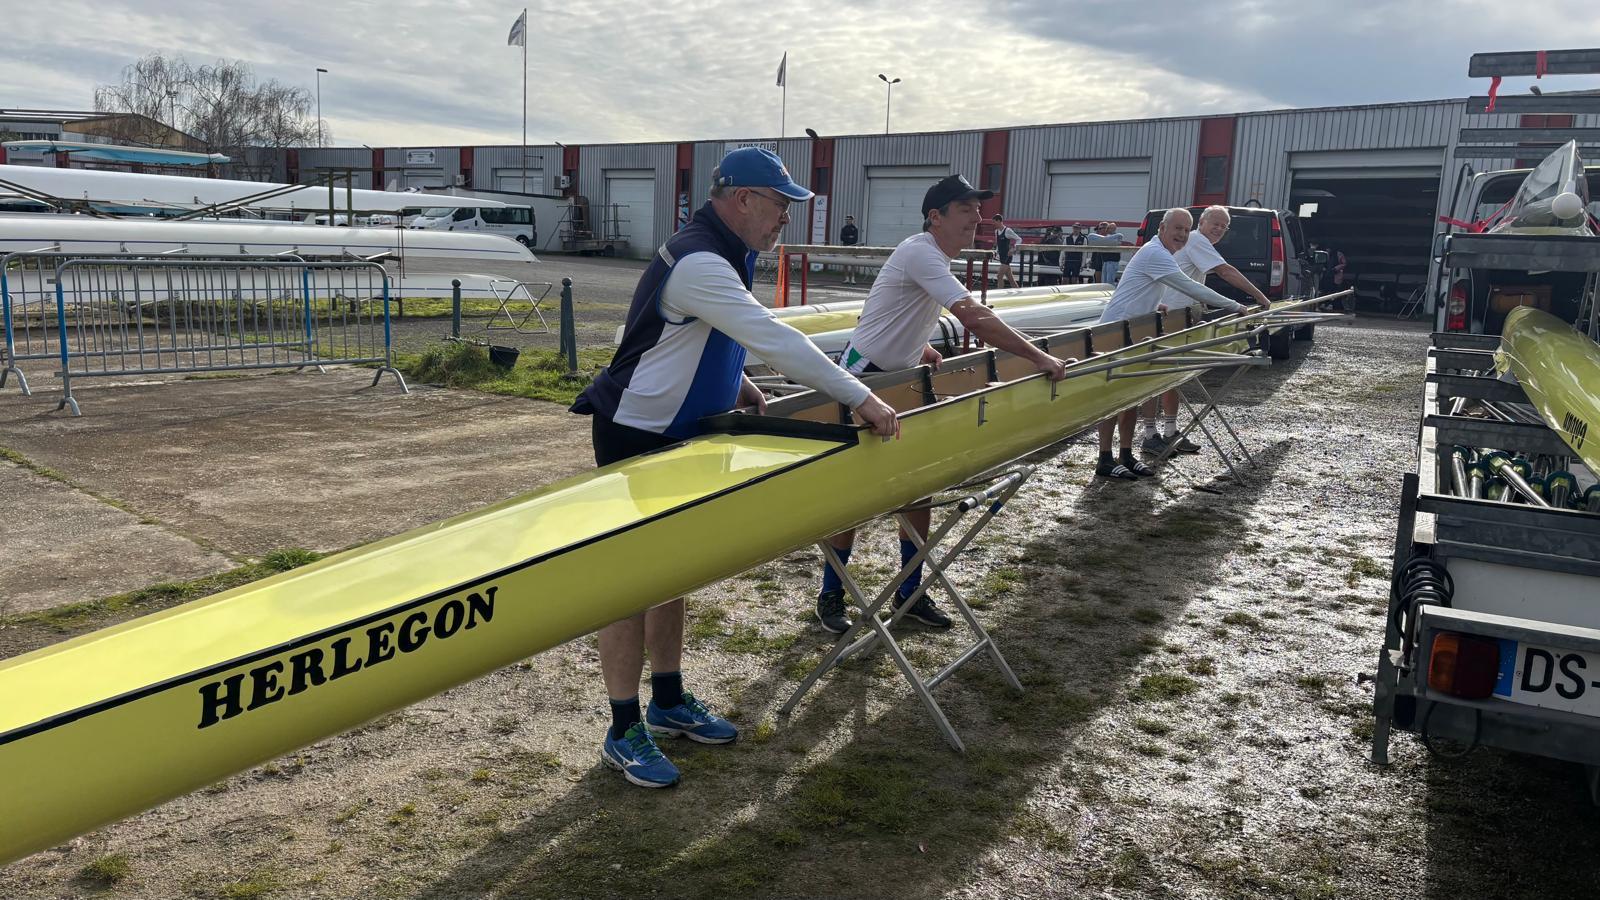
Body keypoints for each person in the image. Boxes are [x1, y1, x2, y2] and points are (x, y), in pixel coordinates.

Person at [570, 147, 901, 787]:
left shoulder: (727, 250)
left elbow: (699, 333)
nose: (786, 218)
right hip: (636, 433)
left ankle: (668, 699)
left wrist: (737, 381)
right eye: (780, 205)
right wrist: (860, 396)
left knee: (672, 571)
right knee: (628, 583)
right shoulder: (699, 259)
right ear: (743, 198)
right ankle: (622, 727)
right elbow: (773, 336)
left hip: (681, 431)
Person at [815, 175, 1073, 634]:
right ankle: (831, 594)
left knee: (920, 484)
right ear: (935, 217)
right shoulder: (921, 252)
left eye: (978, 209)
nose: (977, 217)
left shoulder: (931, 255)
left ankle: (910, 593)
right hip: (865, 377)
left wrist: (921, 348)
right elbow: (973, 317)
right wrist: (1038, 356)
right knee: (854, 493)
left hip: (900, 375)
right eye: (965, 209)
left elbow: (896, 309)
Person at [1094, 208, 1250, 480]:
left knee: (1132, 396)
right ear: (1162, 228)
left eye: (1186, 230)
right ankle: (1105, 458)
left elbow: (1143, 286)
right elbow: (1190, 287)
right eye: (1177, 228)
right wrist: (1235, 305)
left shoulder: (1163, 253)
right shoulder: (1155, 253)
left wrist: (1157, 304)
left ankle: (1126, 454)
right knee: (1113, 398)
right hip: (1116, 330)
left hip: (1136, 329)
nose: (1182, 234)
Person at [1139, 205, 1270, 457]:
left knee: (1175, 376)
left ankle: (1170, 431)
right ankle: (1150, 434)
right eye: (1215, 223)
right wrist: (1259, 296)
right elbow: (1225, 271)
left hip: (1182, 315)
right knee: (1159, 374)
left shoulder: (1198, 242)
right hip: (1170, 316)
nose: (1219, 229)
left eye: (1224, 226)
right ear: (1202, 223)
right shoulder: (1197, 240)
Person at [992, 214, 1021, 289]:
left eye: (994, 222)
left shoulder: (1007, 230)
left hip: (1007, 256)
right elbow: (998, 244)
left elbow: (1019, 239)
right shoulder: (996, 231)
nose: (993, 224)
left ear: (999, 221)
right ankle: (1018, 291)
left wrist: (1013, 249)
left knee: (999, 276)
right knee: (1011, 280)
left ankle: (999, 293)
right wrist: (995, 252)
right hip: (1002, 257)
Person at [840, 214, 861, 285]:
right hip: (845, 246)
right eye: (847, 220)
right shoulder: (844, 228)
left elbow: (855, 239)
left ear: (852, 220)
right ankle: (846, 278)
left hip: (853, 247)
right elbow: (842, 238)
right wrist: (849, 237)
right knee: (845, 263)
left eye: (849, 219)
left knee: (853, 263)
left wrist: (847, 238)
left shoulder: (855, 228)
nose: (848, 221)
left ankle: (853, 279)